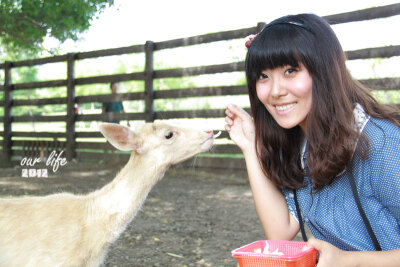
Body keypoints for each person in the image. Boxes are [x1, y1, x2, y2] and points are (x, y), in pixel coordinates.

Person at [225, 13, 400, 266]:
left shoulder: (383, 143)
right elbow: (280, 232)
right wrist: (251, 147)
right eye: (263, 76)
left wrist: (350, 260)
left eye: (290, 70)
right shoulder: (301, 143)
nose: (275, 91)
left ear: (324, 70)